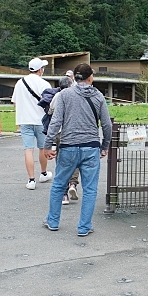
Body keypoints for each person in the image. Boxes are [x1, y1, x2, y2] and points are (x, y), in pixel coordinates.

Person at [42, 63, 112, 236]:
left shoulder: (65, 94)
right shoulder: (98, 96)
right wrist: (105, 146)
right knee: (90, 189)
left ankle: (52, 221)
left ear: (74, 77)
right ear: (90, 77)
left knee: (58, 185)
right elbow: (107, 124)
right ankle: (84, 227)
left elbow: (56, 122)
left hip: (68, 147)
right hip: (91, 148)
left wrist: (47, 145)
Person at [11, 57, 54, 190]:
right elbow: (51, 104)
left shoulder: (20, 83)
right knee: (42, 147)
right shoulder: (44, 84)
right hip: (41, 120)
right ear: (40, 69)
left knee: (28, 149)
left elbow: (15, 102)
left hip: (24, 120)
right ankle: (43, 173)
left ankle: (31, 180)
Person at [54, 73, 80, 205]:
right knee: (75, 160)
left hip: (60, 134)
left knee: (61, 162)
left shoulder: (58, 96)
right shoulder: (76, 96)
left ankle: (64, 195)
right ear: (71, 85)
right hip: (74, 133)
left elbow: (51, 112)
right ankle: (73, 184)